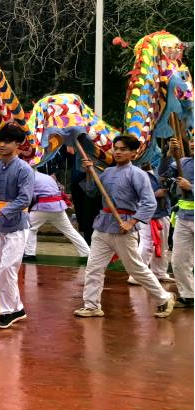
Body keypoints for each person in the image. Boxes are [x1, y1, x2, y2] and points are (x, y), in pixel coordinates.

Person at [72, 134, 176, 319]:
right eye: (116, 148)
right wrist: (89, 174)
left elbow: (149, 203)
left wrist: (132, 222)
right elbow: (91, 192)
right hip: (103, 224)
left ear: (133, 153)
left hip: (123, 227)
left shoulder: (138, 175)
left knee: (135, 268)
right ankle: (92, 305)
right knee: (93, 267)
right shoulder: (107, 172)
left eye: (123, 149)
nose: (118, 152)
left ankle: (164, 297)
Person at [0, 125, 35, 329]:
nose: (2, 145)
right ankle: (16, 308)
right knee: (3, 268)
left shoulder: (24, 169)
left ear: (17, 145)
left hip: (16, 224)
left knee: (7, 267)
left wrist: (1, 212)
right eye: (0, 140)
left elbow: (25, 198)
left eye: (7, 141)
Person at [24, 168, 89, 259]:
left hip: (42, 206)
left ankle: (29, 253)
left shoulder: (28, 177)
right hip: (58, 206)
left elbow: (27, 195)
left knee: (29, 228)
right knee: (70, 230)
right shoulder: (48, 177)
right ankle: (86, 252)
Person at [135, 162, 172, 285]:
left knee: (162, 245)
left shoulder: (160, 172)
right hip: (147, 215)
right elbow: (134, 196)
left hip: (162, 213)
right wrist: (155, 195)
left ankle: (159, 273)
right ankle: (137, 275)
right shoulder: (136, 173)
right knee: (147, 245)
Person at [172, 150, 193, 308]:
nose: (192, 142)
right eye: (192, 138)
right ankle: (188, 295)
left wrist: (190, 187)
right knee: (179, 260)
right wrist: (167, 156)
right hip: (183, 218)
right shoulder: (183, 161)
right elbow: (164, 173)